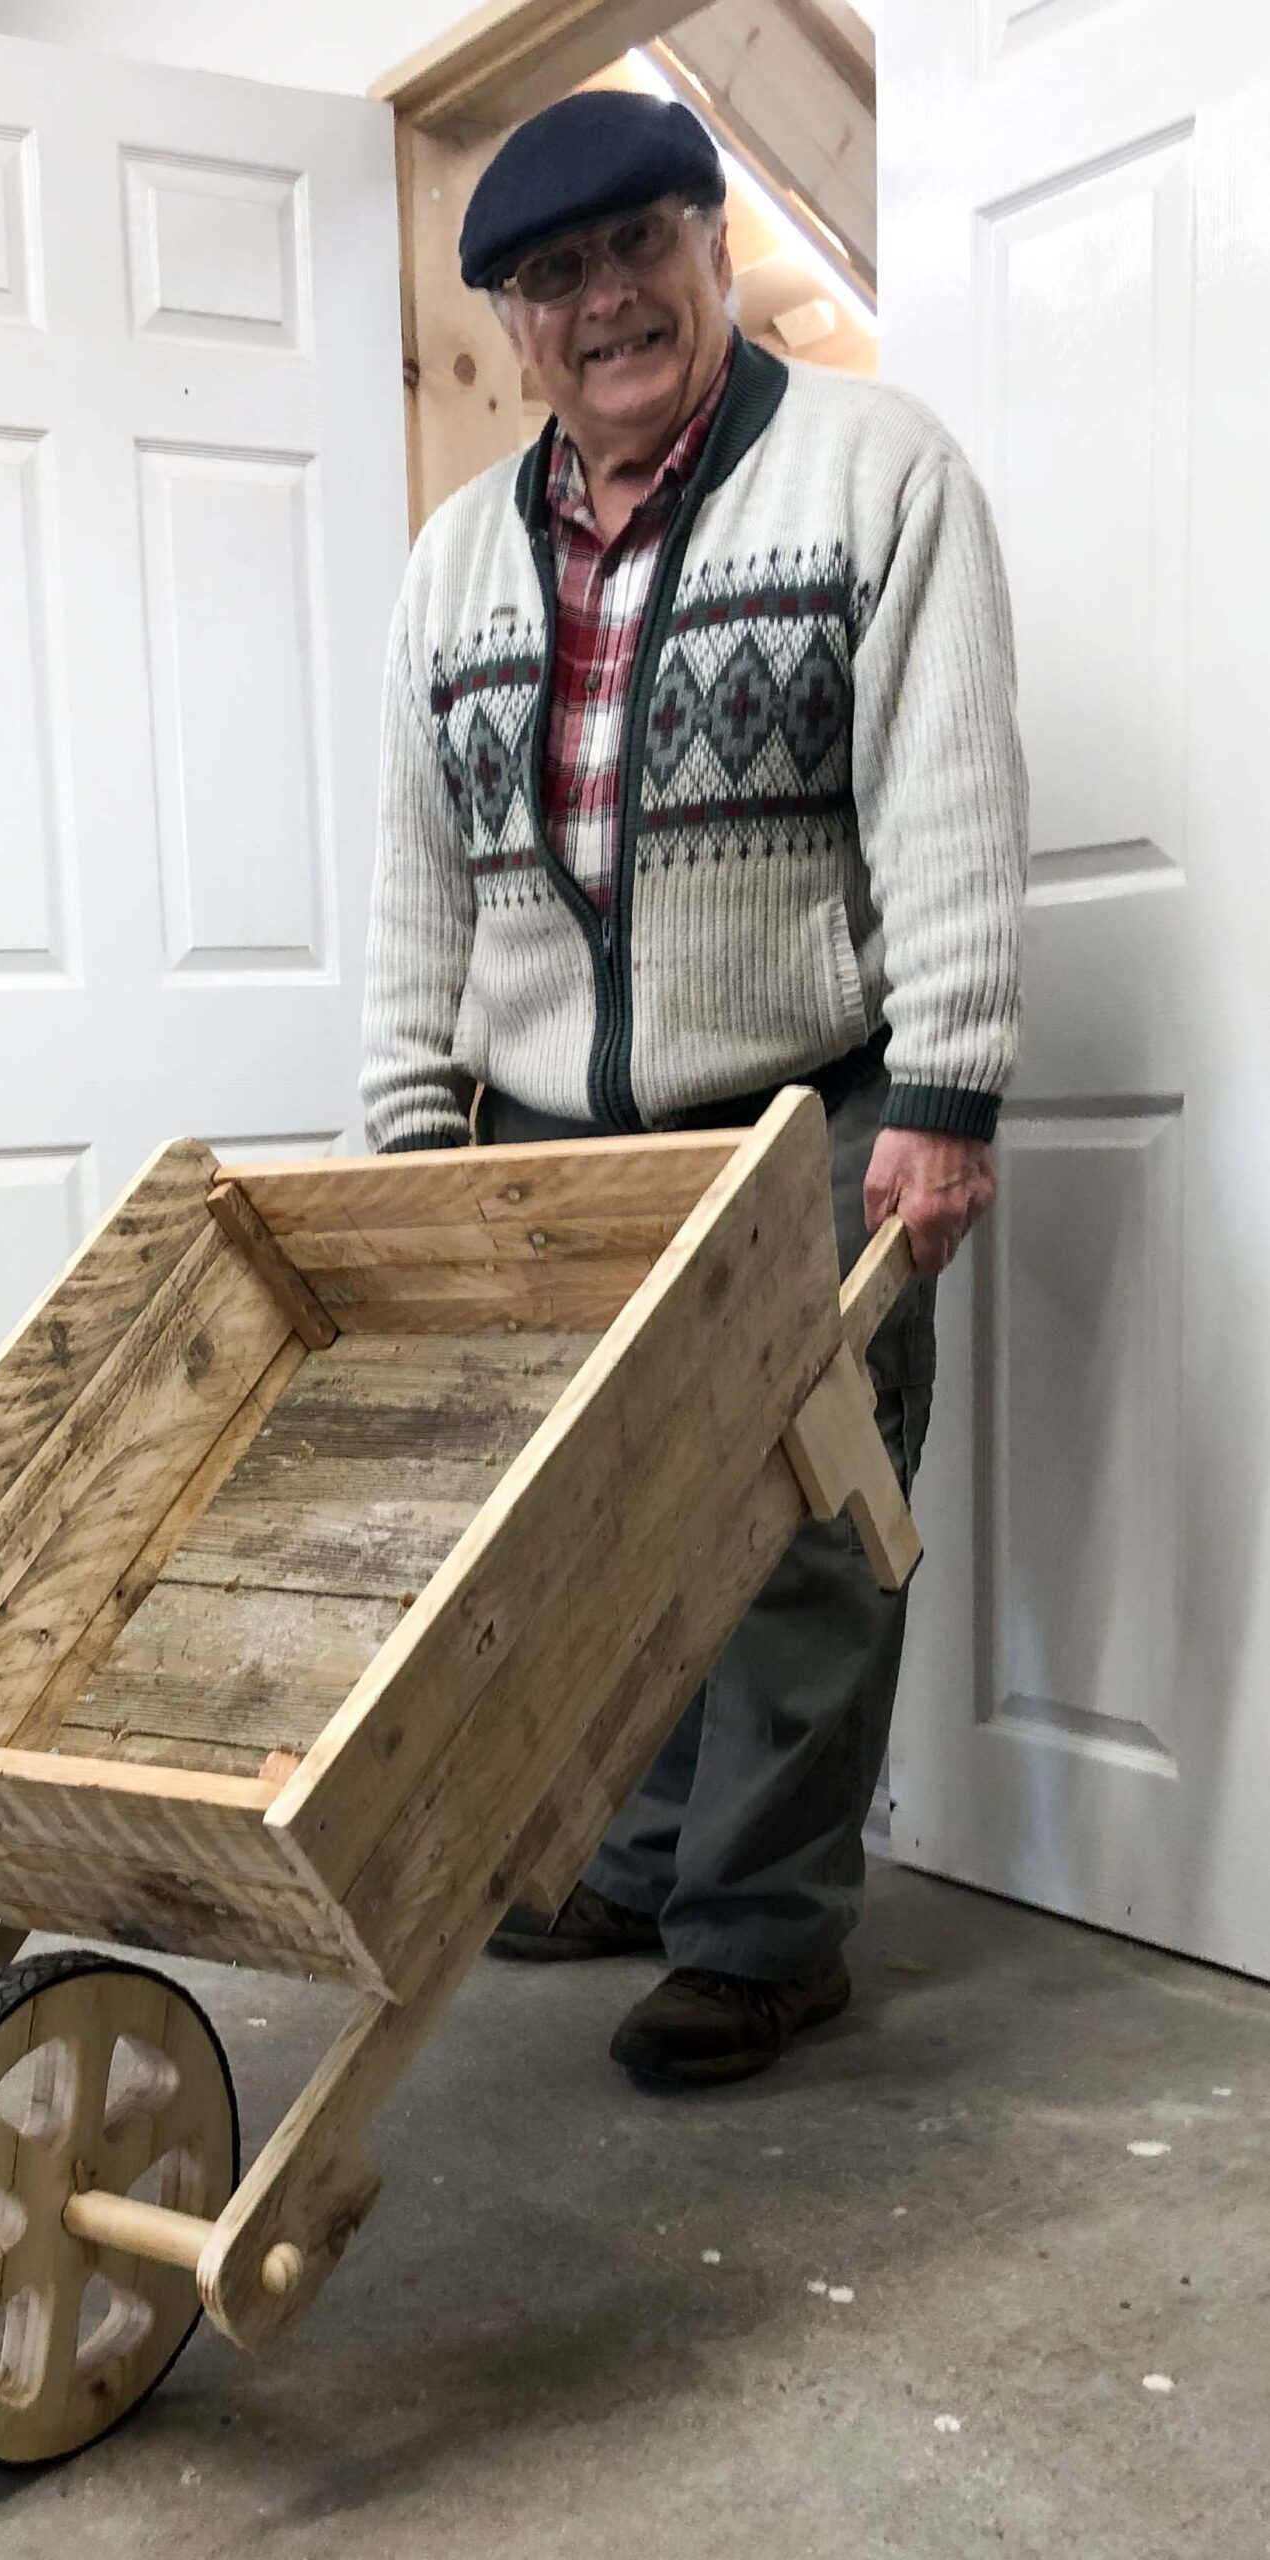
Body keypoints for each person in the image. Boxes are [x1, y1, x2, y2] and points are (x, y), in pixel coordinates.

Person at [359, 89, 1027, 2089]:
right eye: (552, 279)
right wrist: (411, 1134)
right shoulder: (452, 563)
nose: (605, 302)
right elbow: (419, 879)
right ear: (512, 326)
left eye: (637, 246)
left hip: (808, 1115)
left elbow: (951, 789)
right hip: (550, 1136)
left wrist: (952, 1085)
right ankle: (640, 1862)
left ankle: (761, 1927)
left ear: (709, 245)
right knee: (608, 1531)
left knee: (809, 1526)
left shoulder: (872, 469)